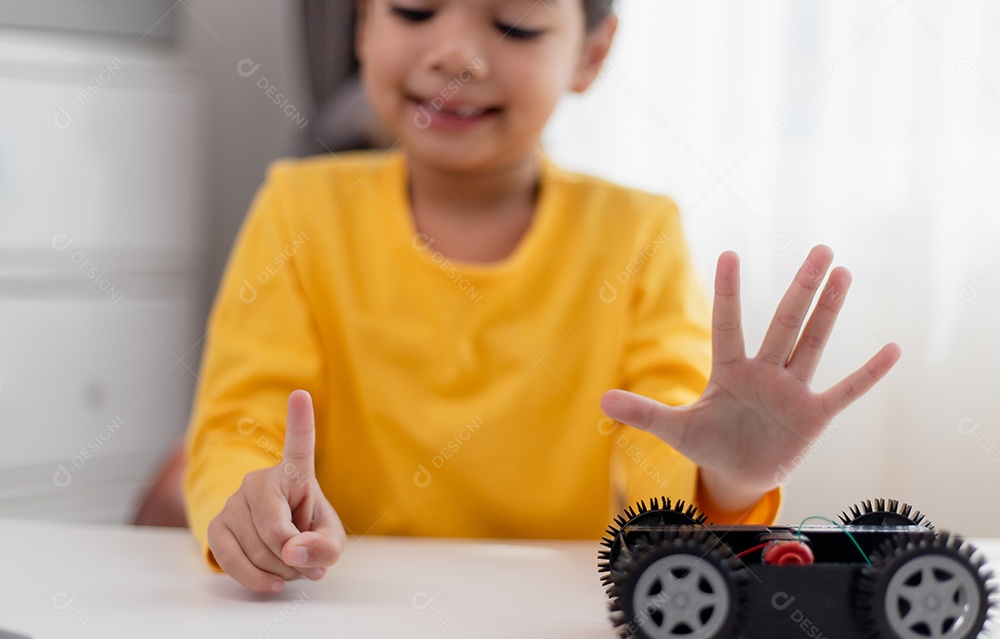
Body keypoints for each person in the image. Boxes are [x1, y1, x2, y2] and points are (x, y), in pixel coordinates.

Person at [182, 0, 901, 594]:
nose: (456, 57)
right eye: (412, 10)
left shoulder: (636, 232)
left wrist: (726, 482)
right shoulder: (297, 209)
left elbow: (663, 436)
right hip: (336, 608)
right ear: (363, 26)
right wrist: (249, 503)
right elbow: (239, 423)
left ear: (591, 55)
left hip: (557, 631)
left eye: (516, 25)